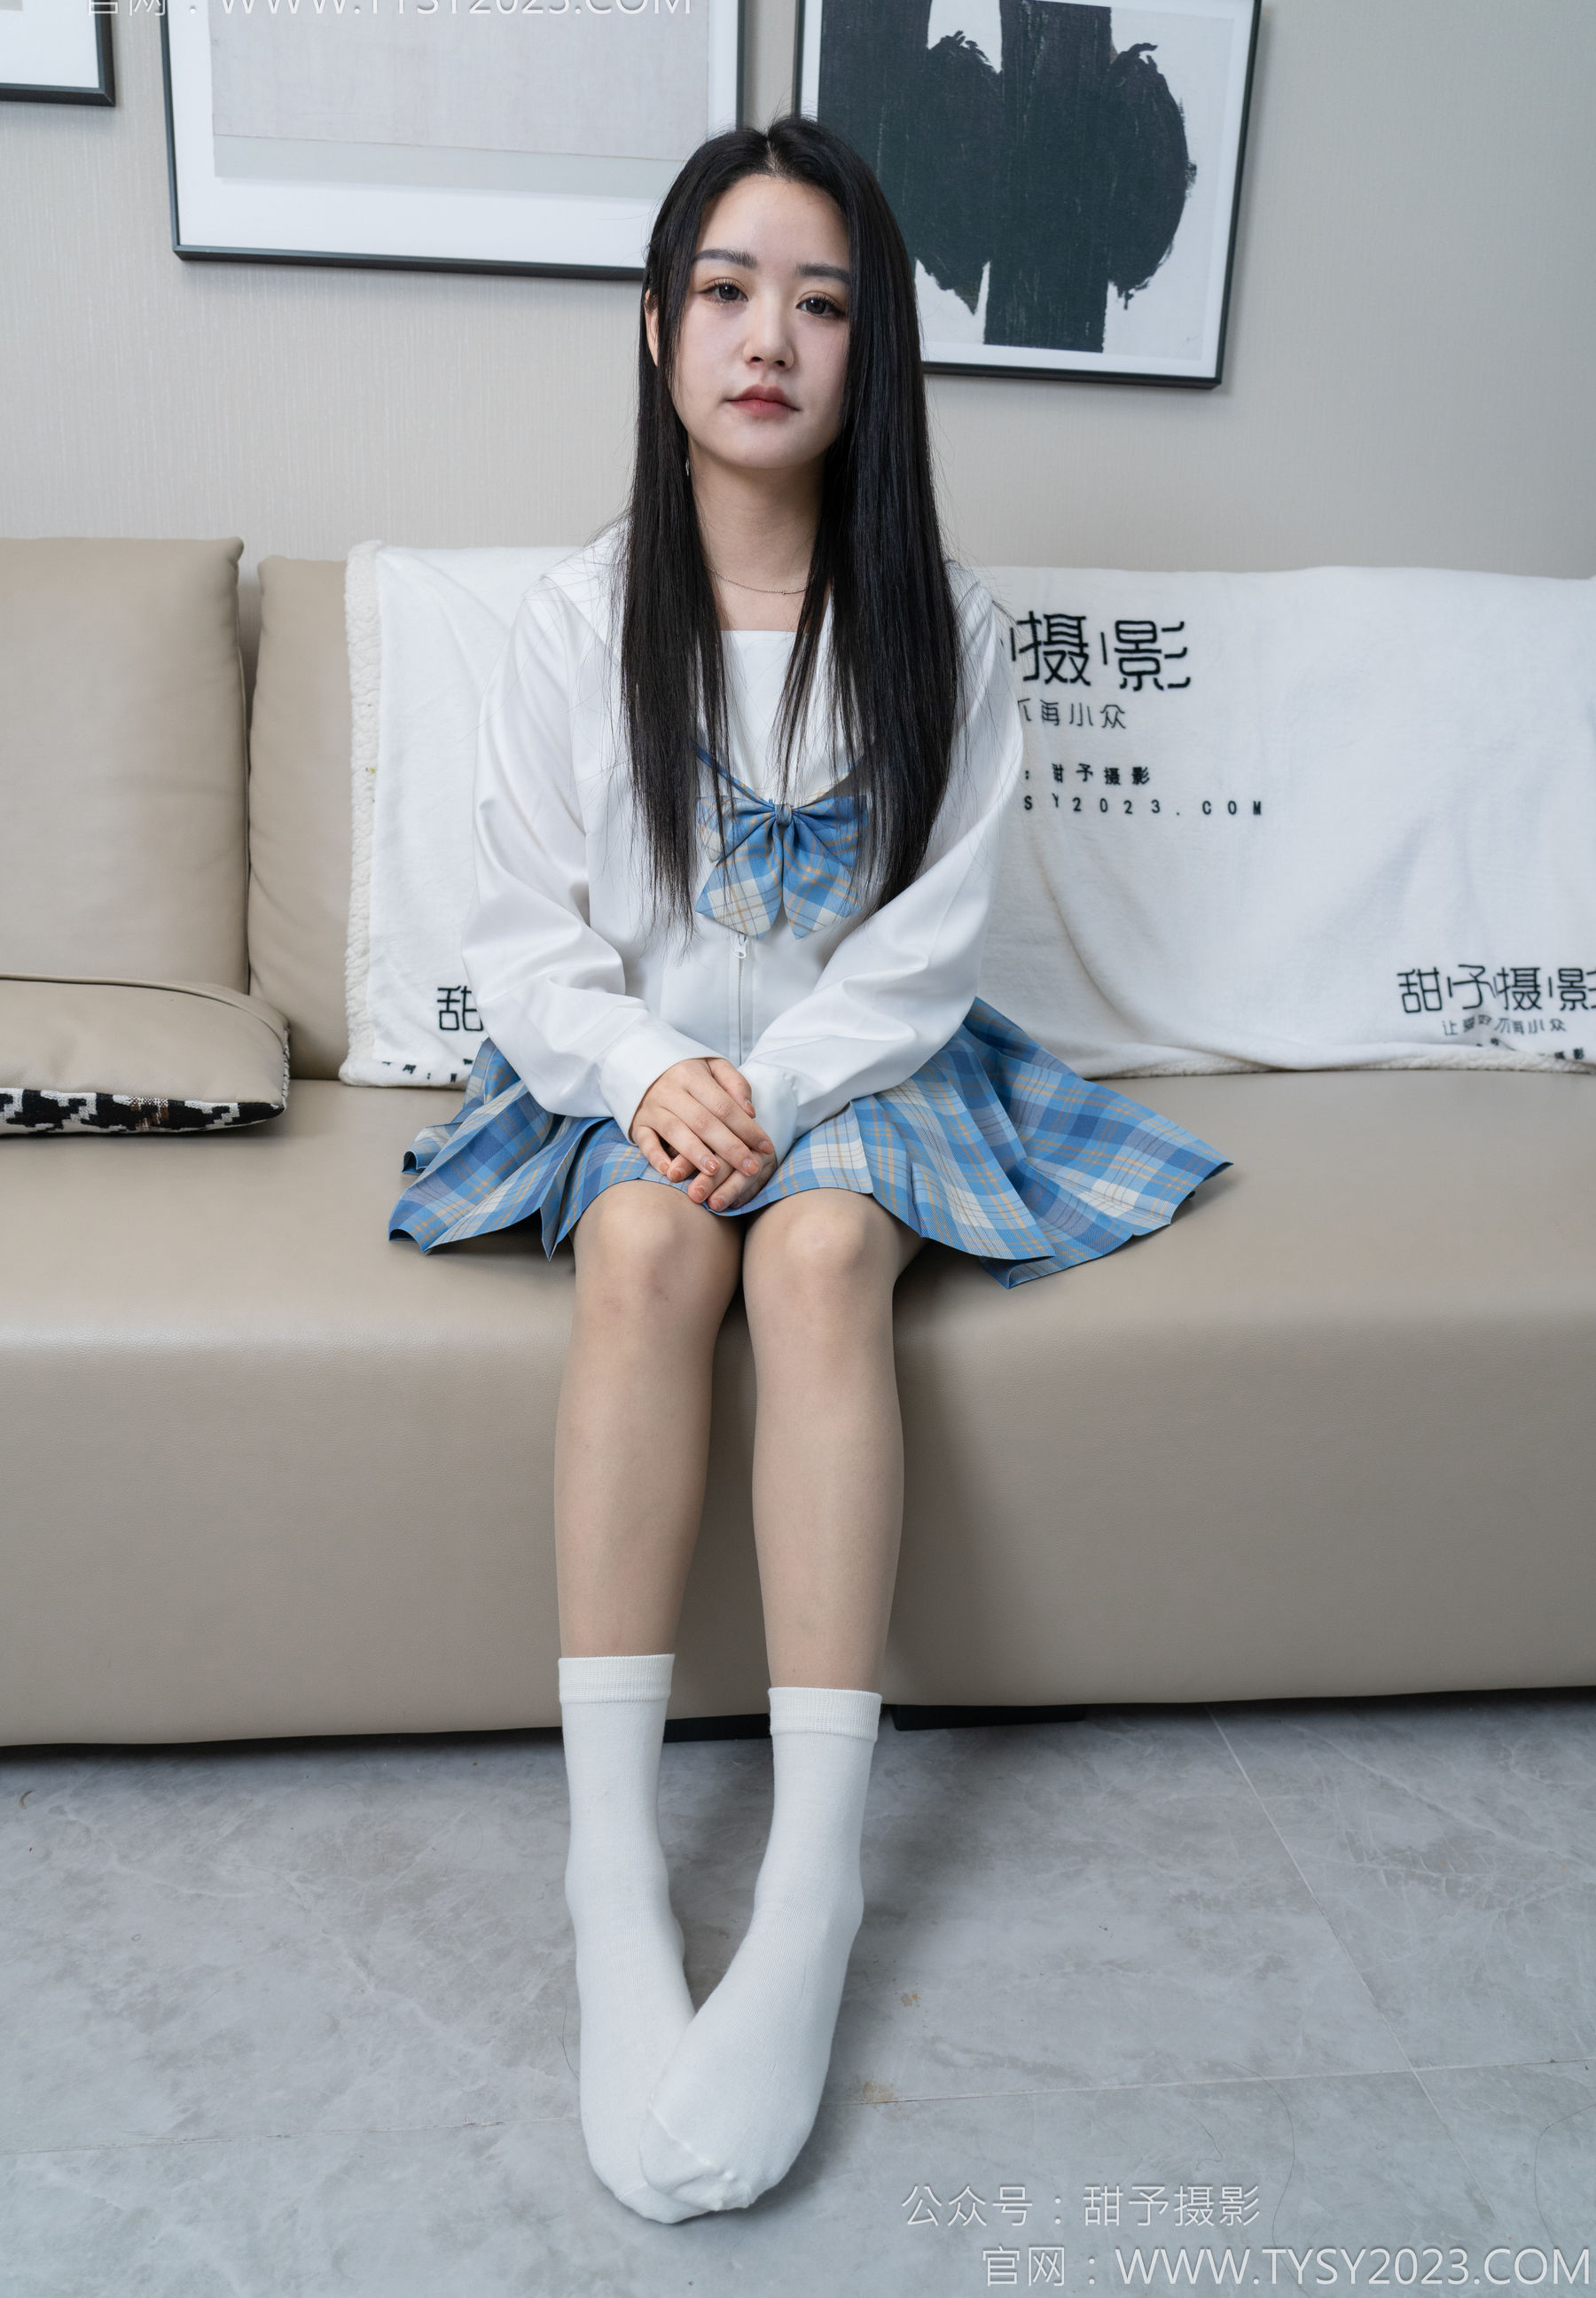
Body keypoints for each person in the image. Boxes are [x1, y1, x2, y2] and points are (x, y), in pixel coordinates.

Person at [389, 115, 1226, 2223]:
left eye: (825, 302)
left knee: (825, 1252)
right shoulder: (577, 619)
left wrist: (779, 1088)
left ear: (876, 354)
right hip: (626, 1070)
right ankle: (612, 1872)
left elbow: (928, 945)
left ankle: (818, 1877)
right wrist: (653, 1072)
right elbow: (520, 933)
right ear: (656, 328)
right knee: (646, 1256)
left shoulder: (943, 624)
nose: (771, 336)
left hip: (864, 1064)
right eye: (731, 290)